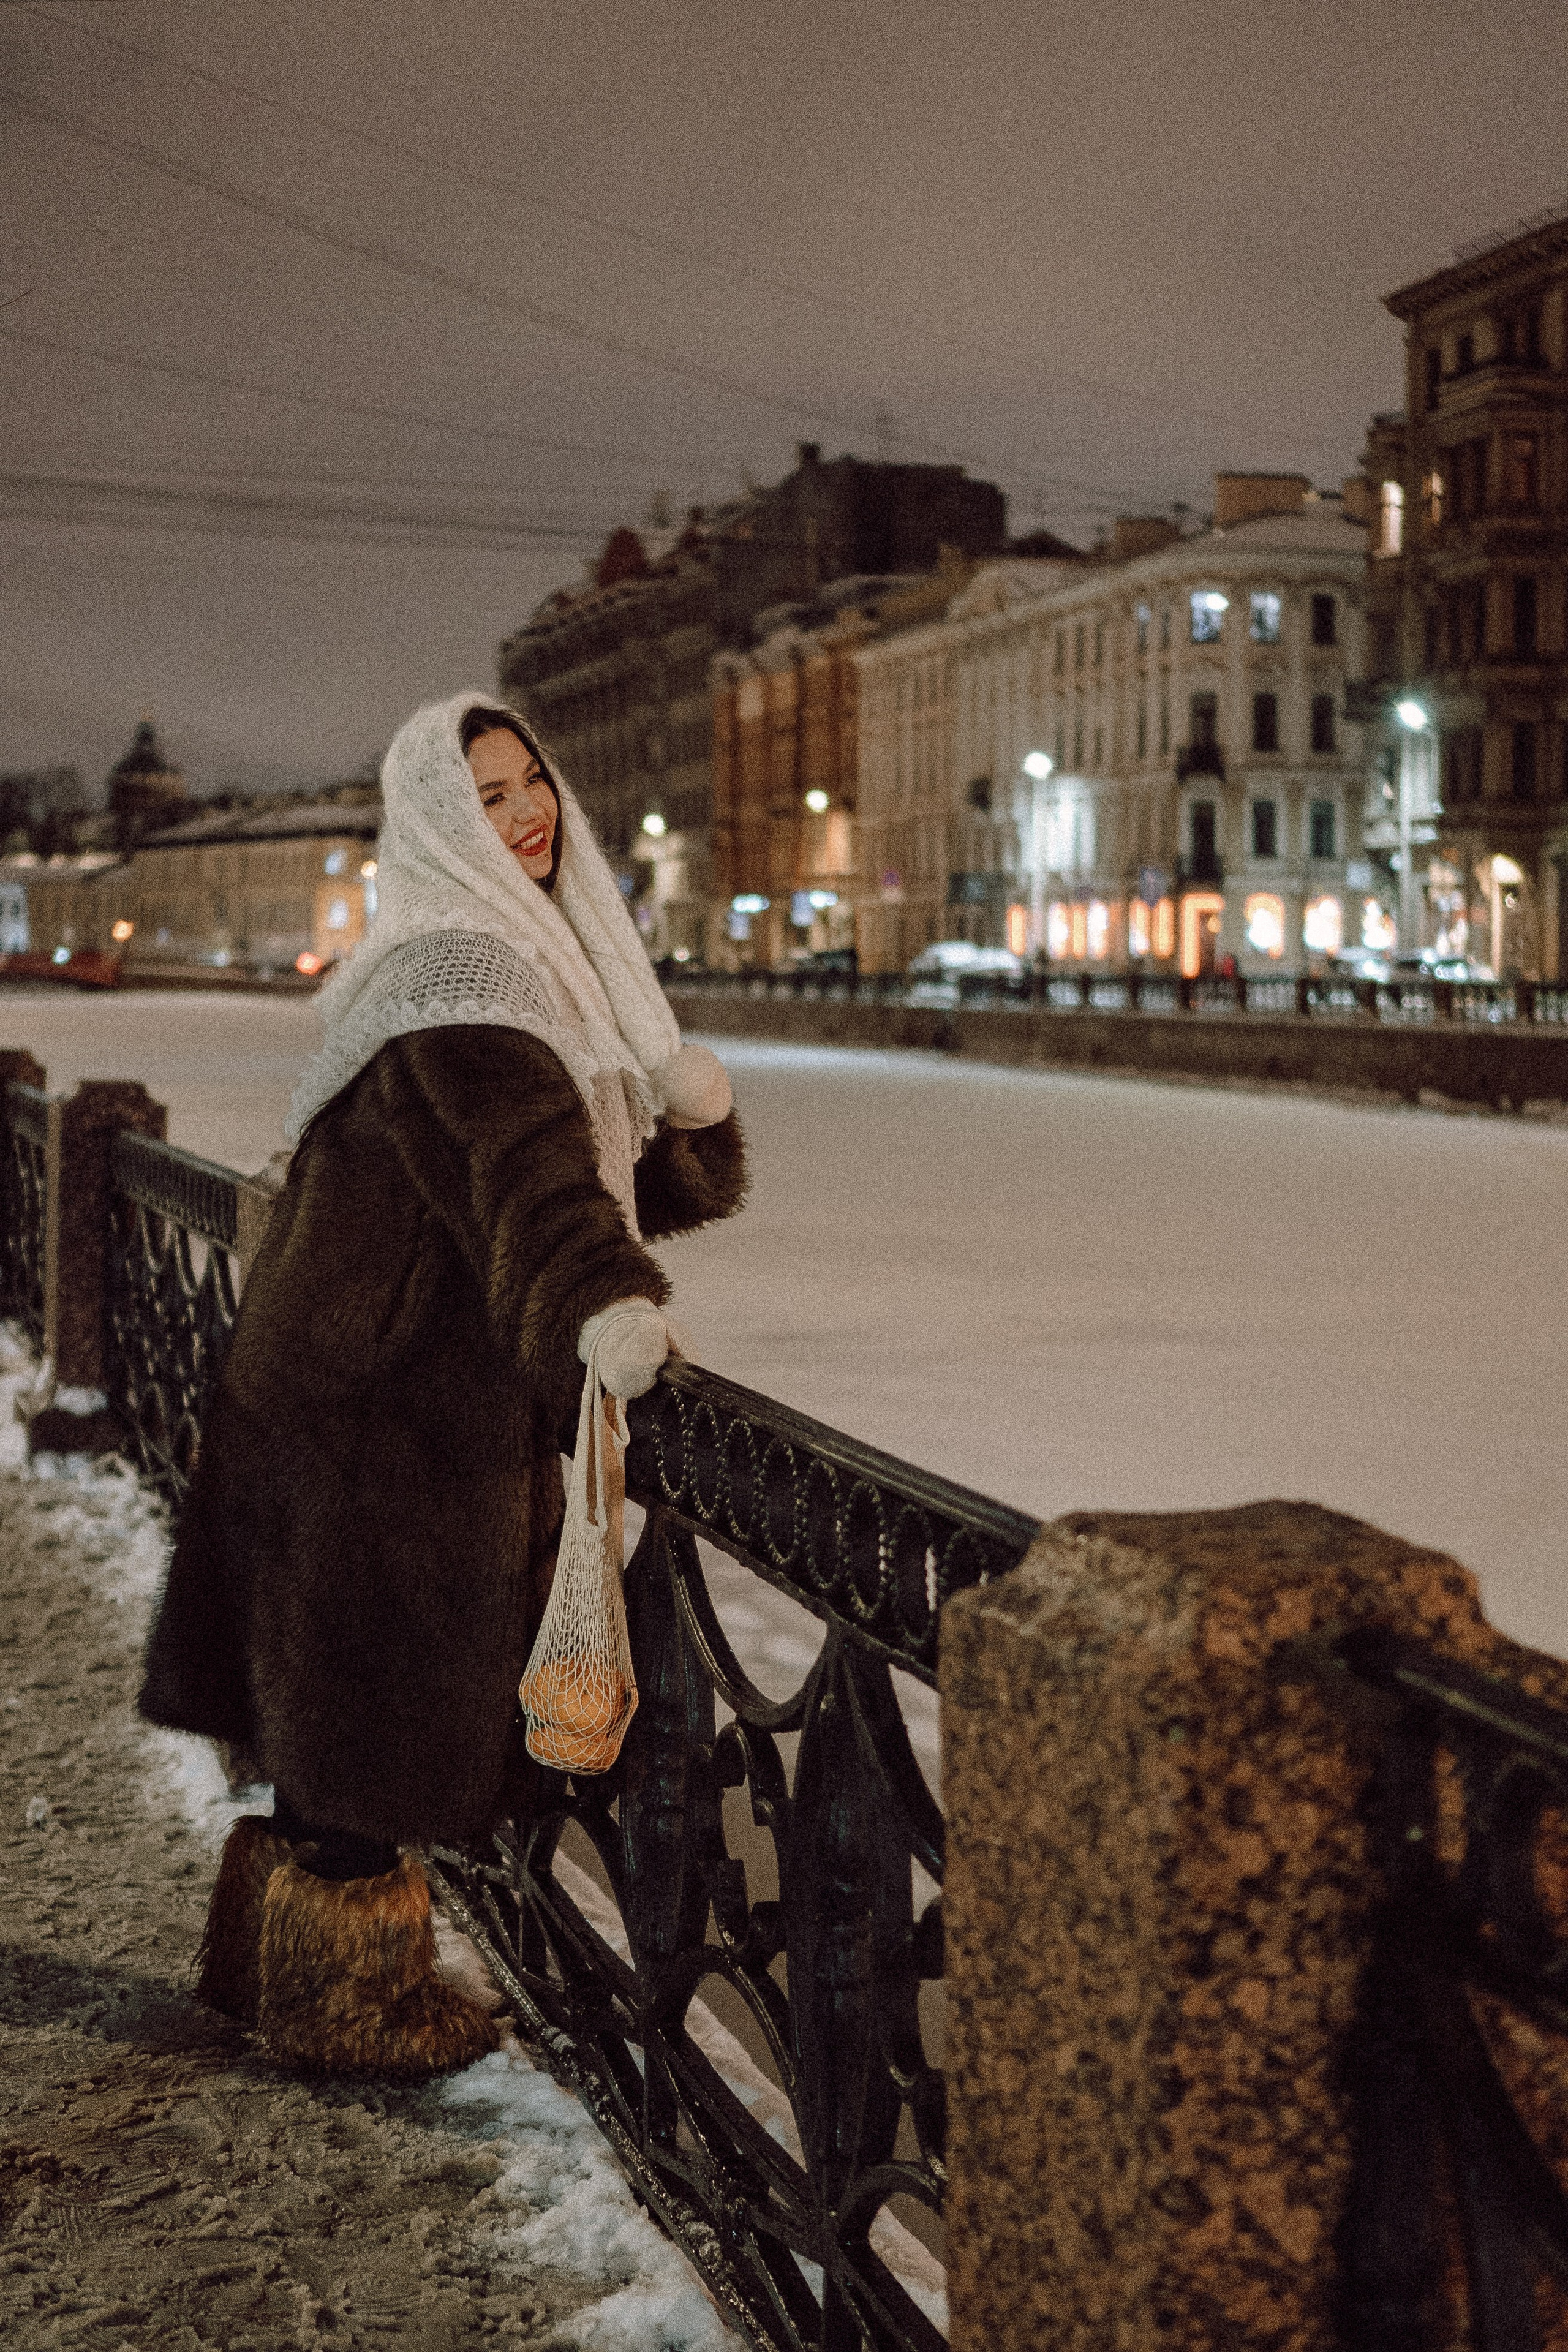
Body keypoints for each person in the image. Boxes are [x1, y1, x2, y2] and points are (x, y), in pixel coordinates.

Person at [139, 691, 745, 2079]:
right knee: (361, 1731)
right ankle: (350, 2005)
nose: (526, 813)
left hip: (338, 1378)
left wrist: (685, 1128)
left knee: (326, 1719)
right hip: (388, 1414)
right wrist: (604, 1308)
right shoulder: (470, 982)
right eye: (485, 797)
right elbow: (531, 1184)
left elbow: (562, 1157)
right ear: (434, 824)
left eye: (529, 780)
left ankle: (272, 1962)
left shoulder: (454, 959)